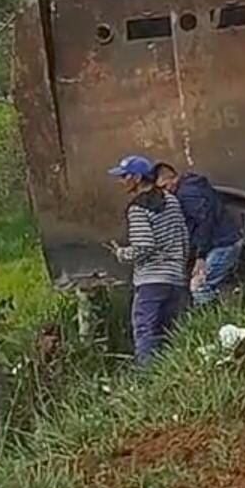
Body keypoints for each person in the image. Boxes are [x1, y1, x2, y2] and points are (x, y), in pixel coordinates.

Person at [107, 154, 190, 364]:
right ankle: (173, 374)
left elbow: (144, 246)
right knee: (171, 332)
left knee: (145, 330)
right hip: (176, 279)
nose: (121, 181)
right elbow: (184, 236)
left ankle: (146, 379)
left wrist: (122, 254)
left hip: (150, 281)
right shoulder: (171, 200)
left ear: (136, 178)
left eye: (124, 176)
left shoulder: (137, 209)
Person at [154, 161, 242, 304]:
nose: (166, 192)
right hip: (225, 241)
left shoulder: (187, 194)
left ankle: (215, 320)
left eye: (165, 186)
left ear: (173, 178)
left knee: (199, 286)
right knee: (211, 284)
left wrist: (200, 257)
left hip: (223, 244)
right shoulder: (192, 187)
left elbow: (204, 223)